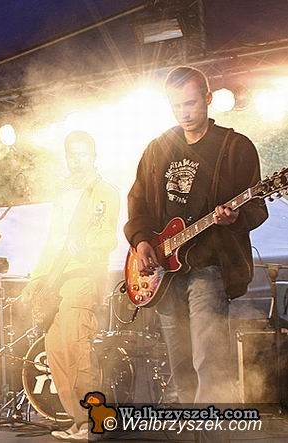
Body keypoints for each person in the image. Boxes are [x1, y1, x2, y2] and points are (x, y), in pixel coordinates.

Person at [124, 66, 268, 441]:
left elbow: (257, 208)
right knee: (181, 362)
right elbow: (137, 203)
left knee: (209, 357)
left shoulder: (234, 147)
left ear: (207, 98)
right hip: (165, 272)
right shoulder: (157, 148)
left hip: (209, 267)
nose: (184, 113)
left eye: (190, 103)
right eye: (176, 106)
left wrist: (235, 217)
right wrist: (141, 240)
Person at [27, 131, 119, 441]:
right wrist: (36, 280)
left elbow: (108, 238)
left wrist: (86, 249)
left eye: (82, 154)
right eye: (71, 155)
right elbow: (51, 243)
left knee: (78, 351)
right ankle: (78, 420)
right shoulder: (64, 195)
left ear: (93, 156)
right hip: (56, 282)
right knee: (56, 351)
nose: (76, 160)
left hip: (83, 277)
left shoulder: (104, 192)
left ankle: (95, 422)